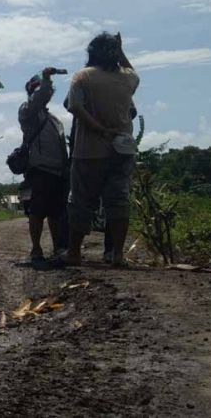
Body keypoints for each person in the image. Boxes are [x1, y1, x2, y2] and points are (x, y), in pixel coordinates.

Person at [64, 32, 140, 267]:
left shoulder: (82, 77)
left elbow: (74, 107)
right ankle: (117, 254)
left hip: (89, 151)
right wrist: (121, 50)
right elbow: (132, 70)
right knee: (118, 202)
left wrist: (99, 129)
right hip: (122, 151)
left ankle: (74, 253)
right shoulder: (127, 78)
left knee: (81, 201)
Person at [18, 68, 70, 264]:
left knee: (55, 213)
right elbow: (38, 99)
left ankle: (57, 248)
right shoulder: (27, 112)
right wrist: (46, 79)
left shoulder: (54, 120)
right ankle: (36, 249)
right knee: (38, 211)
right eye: (41, 90)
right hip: (39, 170)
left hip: (57, 172)